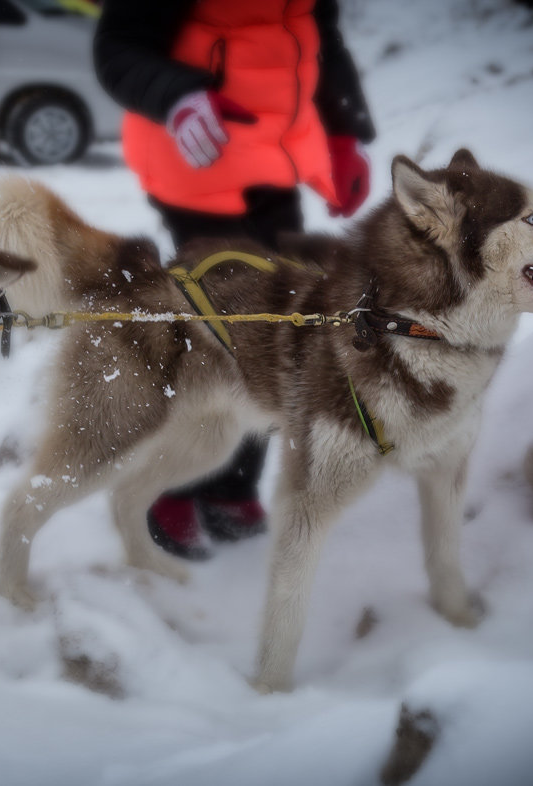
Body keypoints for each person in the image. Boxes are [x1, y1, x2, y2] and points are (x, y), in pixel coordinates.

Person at [94, 0, 376, 560]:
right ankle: (175, 483)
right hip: (197, 154)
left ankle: (232, 484)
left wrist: (344, 132)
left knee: (284, 328)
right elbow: (118, 48)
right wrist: (175, 95)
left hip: (274, 158)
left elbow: (321, 39)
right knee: (219, 334)